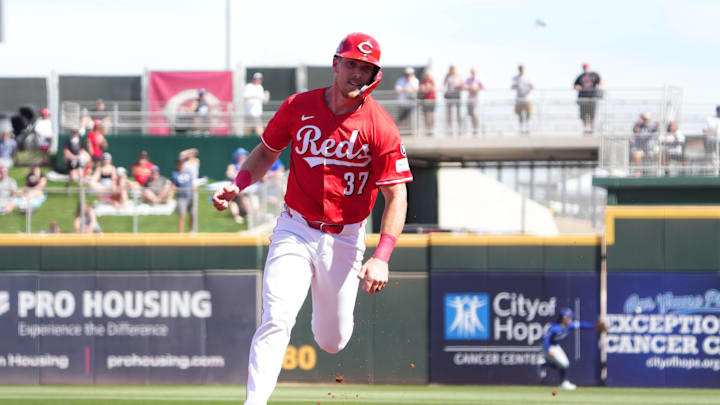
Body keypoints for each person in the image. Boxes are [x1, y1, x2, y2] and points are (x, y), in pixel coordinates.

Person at [212, 32, 412, 405]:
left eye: (365, 68)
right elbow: (266, 152)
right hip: (296, 227)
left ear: (374, 75)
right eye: (351, 64)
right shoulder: (297, 106)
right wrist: (238, 184)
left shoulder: (380, 125)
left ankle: (327, 307)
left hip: (346, 236)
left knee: (331, 340)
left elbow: (396, 194)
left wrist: (382, 256)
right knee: (276, 315)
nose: (356, 73)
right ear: (336, 64)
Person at [537, 308, 606, 391]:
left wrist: (594, 326)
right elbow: (545, 339)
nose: (571, 319)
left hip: (555, 346)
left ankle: (545, 366)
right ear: (564, 318)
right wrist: (548, 349)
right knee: (564, 364)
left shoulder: (568, 326)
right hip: (547, 346)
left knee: (564, 364)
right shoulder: (554, 328)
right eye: (569, 317)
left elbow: (581, 325)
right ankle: (562, 381)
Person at [573, 63, 602, 135]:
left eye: (586, 67)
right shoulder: (580, 76)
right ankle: (586, 130)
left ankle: (591, 130)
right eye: (584, 67)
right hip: (583, 99)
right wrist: (578, 87)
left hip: (592, 98)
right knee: (584, 115)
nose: (585, 68)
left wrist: (600, 88)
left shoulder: (594, 74)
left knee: (592, 115)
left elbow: (600, 81)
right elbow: (575, 85)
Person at [225, 147, 251, 224]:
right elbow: (229, 174)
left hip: (245, 189)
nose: (242, 157)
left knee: (246, 198)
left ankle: (248, 214)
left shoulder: (248, 165)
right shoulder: (232, 166)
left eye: (244, 155)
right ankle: (237, 216)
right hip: (235, 188)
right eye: (241, 155)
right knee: (233, 202)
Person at [172, 159, 195, 233]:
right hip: (181, 197)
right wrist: (180, 189)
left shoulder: (188, 172)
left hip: (190, 196)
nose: (181, 165)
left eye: (182, 164)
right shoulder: (175, 174)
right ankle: (180, 233)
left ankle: (191, 231)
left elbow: (192, 183)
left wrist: (193, 189)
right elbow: (173, 186)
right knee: (182, 215)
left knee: (192, 214)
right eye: (179, 164)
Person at [394, 67, 419, 131]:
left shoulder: (415, 80)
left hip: (412, 103)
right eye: (407, 74)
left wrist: (406, 89)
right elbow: (397, 89)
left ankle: (410, 131)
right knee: (402, 117)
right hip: (402, 103)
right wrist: (407, 90)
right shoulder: (400, 80)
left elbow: (415, 89)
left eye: (409, 74)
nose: (408, 76)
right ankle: (403, 130)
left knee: (411, 117)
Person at [511, 65, 534, 134]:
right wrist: (517, 85)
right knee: (520, 114)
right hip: (519, 99)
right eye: (520, 69)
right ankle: (521, 128)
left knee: (528, 114)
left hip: (527, 98)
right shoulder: (515, 78)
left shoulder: (528, 77)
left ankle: (528, 128)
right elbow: (512, 86)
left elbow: (532, 86)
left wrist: (528, 87)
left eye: (522, 69)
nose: (521, 70)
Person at [463, 68, 485, 135]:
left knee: (475, 113)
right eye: (472, 72)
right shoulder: (468, 80)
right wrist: (469, 88)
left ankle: (476, 129)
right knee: (471, 114)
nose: (473, 73)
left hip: (476, 100)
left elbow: (483, 87)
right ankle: (473, 128)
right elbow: (464, 86)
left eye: (474, 72)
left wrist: (477, 88)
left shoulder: (478, 80)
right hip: (469, 99)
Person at [443, 65, 463, 134]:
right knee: (449, 113)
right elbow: (444, 84)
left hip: (457, 95)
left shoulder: (459, 76)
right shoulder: (447, 76)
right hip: (449, 96)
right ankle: (449, 129)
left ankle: (459, 128)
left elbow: (462, 84)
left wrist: (459, 86)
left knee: (458, 113)